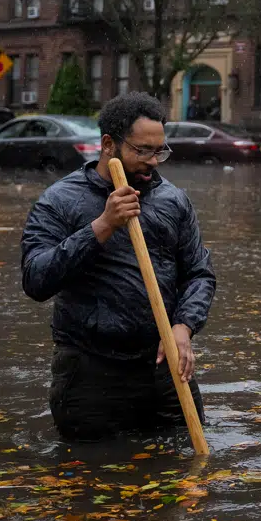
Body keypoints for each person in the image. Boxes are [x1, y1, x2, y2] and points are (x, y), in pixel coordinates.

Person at [21, 92, 216, 442]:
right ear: (109, 144)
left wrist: (184, 326)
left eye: (160, 151)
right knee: (92, 479)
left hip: (164, 365)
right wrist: (102, 226)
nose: (154, 161)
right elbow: (36, 279)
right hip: (90, 372)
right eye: (142, 151)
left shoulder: (173, 200)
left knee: (186, 469)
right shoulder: (60, 201)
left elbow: (199, 273)